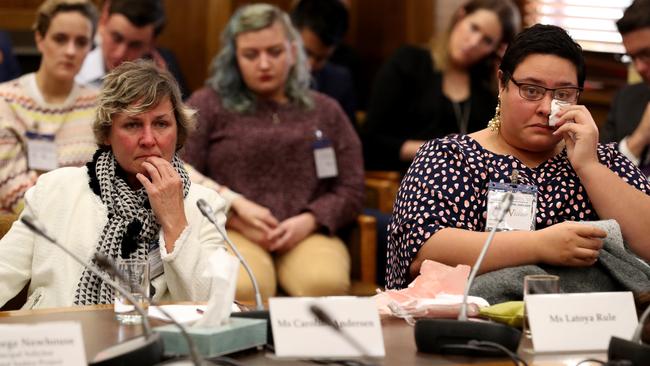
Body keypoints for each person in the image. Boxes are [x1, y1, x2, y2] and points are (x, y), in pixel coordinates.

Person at [386, 24, 650, 302]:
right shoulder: (450, 156)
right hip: (476, 325)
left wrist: (589, 167)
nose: (547, 107)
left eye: (563, 94)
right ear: (502, 84)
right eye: (531, 90)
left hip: (590, 325)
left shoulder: (603, 160)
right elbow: (423, 250)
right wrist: (539, 245)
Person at [0, 60, 227, 309]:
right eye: (132, 124)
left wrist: (174, 220)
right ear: (107, 134)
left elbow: (212, 304)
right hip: (59, 339)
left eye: (161, 124)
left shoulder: (205, 205)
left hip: (155, 343)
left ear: (178, 132)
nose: (149, 139)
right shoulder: (55, 189)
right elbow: (4, 270)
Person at [183, 4, 364, 300]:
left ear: (293, 51)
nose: (264, 64)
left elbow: (352, 186)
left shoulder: (325, 109)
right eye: (251, 55)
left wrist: (311, 220)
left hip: (307, 231)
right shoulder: (209, 105)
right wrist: (235, 213)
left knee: (323, 284)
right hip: (232, 229)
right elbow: (181, 173)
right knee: (242, 288)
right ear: (234, 58)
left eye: (274, 52)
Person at [361, 0, 520, 172]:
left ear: (496, 49)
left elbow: (503, 145)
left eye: (487, 41)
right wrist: (443, 153)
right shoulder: (410, 62)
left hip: (470, 187)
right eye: (474, 28)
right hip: (409, 179)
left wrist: (505, 73)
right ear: (460, 17)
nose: (474, 42)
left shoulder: (485, 87)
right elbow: (372, 141)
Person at [0, 0, 99, 213]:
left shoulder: (100, 105)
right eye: (60, 39)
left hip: (92, 234)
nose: (71, 51)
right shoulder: (4, 101)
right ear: (40, 39)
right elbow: (15, 194)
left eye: (81, 42)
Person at [75, 0, 188, 98]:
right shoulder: (74, 65)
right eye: (116, 38)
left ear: (151, 44)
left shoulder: (167, 69)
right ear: (103, 21)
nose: (120, 54)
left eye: (135, 45)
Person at [600, 0, 650, 177]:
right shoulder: (626, 99)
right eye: (632, 57)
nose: (639, 68)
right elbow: (599, 177)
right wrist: (639, 138)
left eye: (647, 54)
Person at [290, 0, 357, 124]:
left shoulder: (340, 81)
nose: (310, 64)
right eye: (305, 52)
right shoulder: (268, 75)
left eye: (321, 58)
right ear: (291, 32)